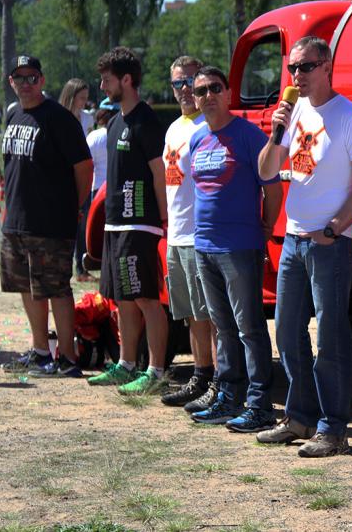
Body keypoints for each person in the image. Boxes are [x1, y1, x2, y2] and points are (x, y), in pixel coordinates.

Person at [256, 35, 352, 457]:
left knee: (330, 336)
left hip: (329, 243)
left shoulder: (350, 118)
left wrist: (338, 225)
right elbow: (267, 170)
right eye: (292, 68)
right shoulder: (294, 112)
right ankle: (299, 418)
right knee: (287, 332)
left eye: (305, 67)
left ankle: (333, 428)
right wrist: (276, 131)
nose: (296, 76)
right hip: (293, 238)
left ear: (327, 67)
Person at [185, 66, 282, 432]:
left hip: (239, 246)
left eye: (214, 88)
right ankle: (229, 396)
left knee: (249, 327)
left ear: (228, 94)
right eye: (200, 91)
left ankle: (260, 404)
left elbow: (271, 188)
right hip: (204, 245)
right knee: (223, 327)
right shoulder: (197, 138)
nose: (207, 95)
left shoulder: (248, 136)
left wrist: (265, 227)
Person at [0, 55, 93, 378]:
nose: (25, 84)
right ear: (11, 82)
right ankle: (41, 352)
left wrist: (76, 207)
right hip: (17, 221)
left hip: (51, 222)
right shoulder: (14, 115)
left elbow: (84, 167)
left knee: (56, 288)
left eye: (32, 77)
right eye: (19, 78)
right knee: (27, 287)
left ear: (42, 80)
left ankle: (67, 357)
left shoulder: (59, 118)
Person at [87, 47, 169, 395]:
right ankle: (126, 364)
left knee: (146, 298)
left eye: (107, 79)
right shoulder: (116, 120)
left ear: (126, 79)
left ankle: (156, 370)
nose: (103, 86)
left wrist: (163, 218)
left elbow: (159, 173)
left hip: (141, 224)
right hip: (116, 225)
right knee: (122, 298)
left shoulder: (146, 121)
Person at [156, 56, 220, 410]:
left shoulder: (206, 127)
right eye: (176, 83)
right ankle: (200, 375)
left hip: (201, 235)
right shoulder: (174, 129)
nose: (183, 90)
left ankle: (220, 382)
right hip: (177, 234)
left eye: (189, 82)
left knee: (210, 314)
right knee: (191, 313)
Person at [60, 78, 95, 282]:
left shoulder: (87, 119)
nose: (84, 102)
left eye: (86, 98)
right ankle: (63, 264)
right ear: (71, 97)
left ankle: (80, 267)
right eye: (81, 98)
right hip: (64, 175)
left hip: (82, 173)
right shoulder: (59, 116)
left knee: (82, 223)